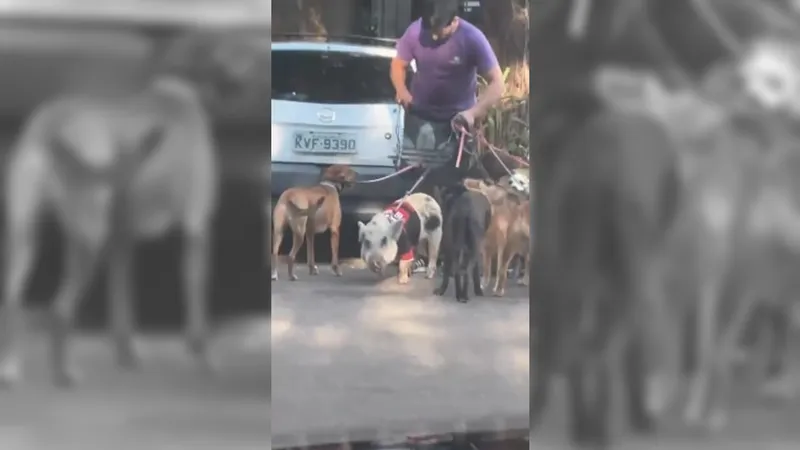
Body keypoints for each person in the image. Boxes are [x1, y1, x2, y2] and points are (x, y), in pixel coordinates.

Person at [390, 0, 504, 272]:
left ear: (455, 22)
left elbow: (497, 83)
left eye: (441, 32)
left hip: (458, 122)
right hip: (420, 118)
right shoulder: (416, 31)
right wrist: (403, 91)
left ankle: (452, 256)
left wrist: (473, 112)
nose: (434, 37)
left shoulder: (472, 38)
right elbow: (398, 65)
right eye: (431, 31)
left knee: (455, 191)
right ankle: (411, 255)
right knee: (413, 190)